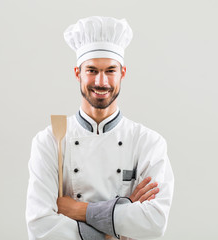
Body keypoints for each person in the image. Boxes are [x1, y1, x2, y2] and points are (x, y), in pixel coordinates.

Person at [25, 16, 174, 240]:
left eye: (110, 71)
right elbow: (40, 227)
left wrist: (77, 210)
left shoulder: (148, 142)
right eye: (92, 70)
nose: (101, 82)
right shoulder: (49, 140)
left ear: (123, 73)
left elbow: (154, 223)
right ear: (78, 73)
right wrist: (120, 217)